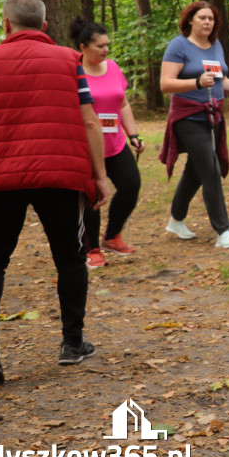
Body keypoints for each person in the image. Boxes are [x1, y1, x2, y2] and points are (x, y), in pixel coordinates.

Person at [0, 0, 111, 385]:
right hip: (61, 173)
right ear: (45, 27)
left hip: (0, 174)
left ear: (6, 24)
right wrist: (99, 176)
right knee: (70, 256)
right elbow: (89, 121)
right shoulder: (70, 60)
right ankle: (72, 343)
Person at [158, 1, 229, 249]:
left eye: (211, 18)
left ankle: (176, 219)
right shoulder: (178, 45)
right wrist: (196, 82)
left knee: (195, 170)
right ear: (190, 20)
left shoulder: (216, 45)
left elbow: (219, 80)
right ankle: (223, 232)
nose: (207, 22)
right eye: (202, 17)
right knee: (210, 167)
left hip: (213, 116)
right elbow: (166, 84)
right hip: (187, 117)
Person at [74, 18, 145, 269]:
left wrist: (133, 135)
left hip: (114, 144)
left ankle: (112, 236)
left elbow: (122, 103)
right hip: (86, 147)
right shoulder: (74, 72)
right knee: (92, 196)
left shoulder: (112, 67)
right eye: (100, 46)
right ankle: (91, 249)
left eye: (107, 45)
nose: (106, 50)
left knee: (131, 184)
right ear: (83, 47)